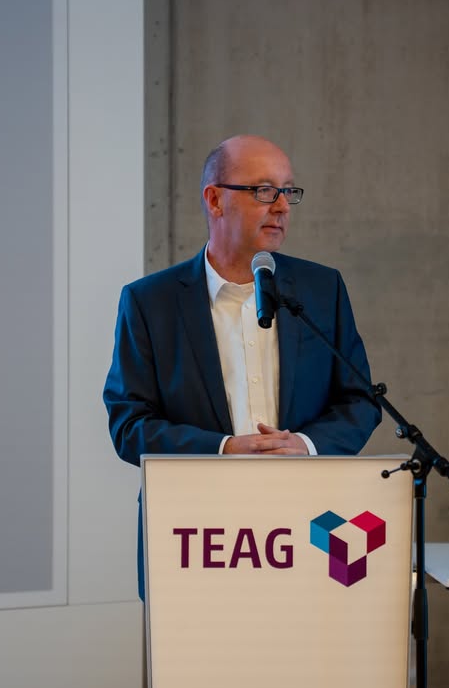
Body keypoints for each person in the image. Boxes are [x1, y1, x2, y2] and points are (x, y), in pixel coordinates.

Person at [102, 134, 381, 596]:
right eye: (264, 190)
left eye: (288, 191)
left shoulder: (321, 289)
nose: (282, 206)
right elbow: (129, 425)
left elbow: (360, 400)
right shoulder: (151, 302)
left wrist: (307, 445)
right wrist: (224, 449)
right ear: (215, 199)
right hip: (192, 535)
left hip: (310, 527)